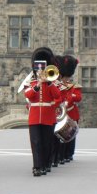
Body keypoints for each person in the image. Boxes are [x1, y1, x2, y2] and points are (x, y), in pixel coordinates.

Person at [24, 47, 62, 177]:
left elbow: (57, 96)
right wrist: (37, 85)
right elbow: (28, 95)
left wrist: (49, 83)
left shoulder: (51, 83)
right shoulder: (31, 82)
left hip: (48, 116)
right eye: (38, 70)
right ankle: (37, 166)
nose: (40, 72)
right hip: (34, 117)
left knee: (47, 142)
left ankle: (45, 164)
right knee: (36, 143)